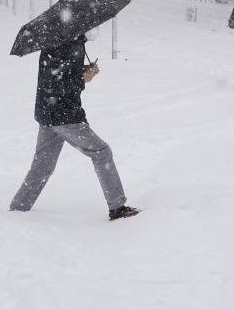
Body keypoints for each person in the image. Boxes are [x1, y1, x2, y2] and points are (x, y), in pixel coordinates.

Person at [10, 32, 140, 221]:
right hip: (63, 116)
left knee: (43, 166)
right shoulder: (67, 43)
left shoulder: (61, 40)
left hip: (48, 114)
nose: (96, 29)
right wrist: (83, 79)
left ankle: (18, 209)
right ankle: (117, 207)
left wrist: (85, 70)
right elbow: (54, 83)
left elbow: (60, 74)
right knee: (101, 152)